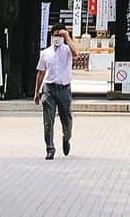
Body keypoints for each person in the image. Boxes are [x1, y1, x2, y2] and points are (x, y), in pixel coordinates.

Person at [34, 24, 75, 159]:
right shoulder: (46, 53)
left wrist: (67, 37)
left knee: (67, 120)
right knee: (48, 121)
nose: (57, 38)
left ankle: (66, 138)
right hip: (49, 89)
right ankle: (50, 148)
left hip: (64, 89)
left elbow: (76, 53)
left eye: (60, 35)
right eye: (55, 35)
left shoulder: (67, 50)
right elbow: (40, 73)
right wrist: (37, 92)